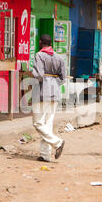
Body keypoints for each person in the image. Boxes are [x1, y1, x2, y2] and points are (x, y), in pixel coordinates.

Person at [29, 34, 66, 162]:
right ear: (50, 43)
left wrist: (30, 72)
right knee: (48, 123)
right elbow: (63, 78)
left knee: (37, 122)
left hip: (42, 90)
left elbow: (38, 75)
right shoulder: (59, 57)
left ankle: (57, 143)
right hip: (55, 90)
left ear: (40, 42)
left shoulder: (39, 55)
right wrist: (54, 83)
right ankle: (45, 155)